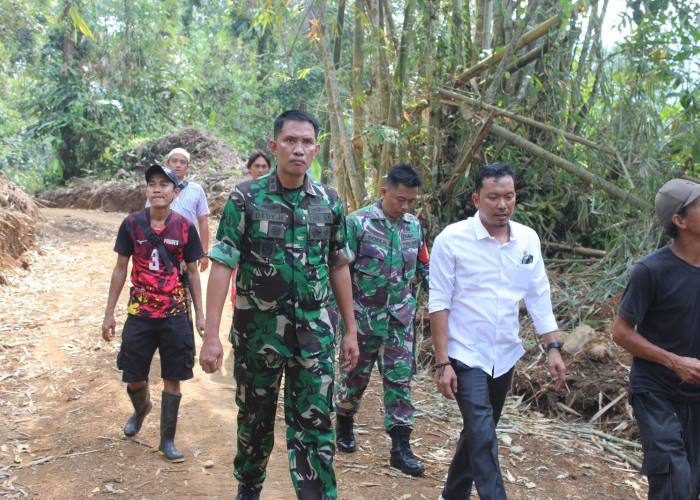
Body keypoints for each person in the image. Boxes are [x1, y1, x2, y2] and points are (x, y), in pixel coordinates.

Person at [199, 109, 360, 500]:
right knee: (254, 418)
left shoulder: (329, 201)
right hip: (259, 336)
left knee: (315, 424)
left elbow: (339, 264)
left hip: (315, 336)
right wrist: (211, 336)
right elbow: (222, 263)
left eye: (306, 142)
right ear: (274, 146)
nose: (298, 150)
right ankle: (249, 487)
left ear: (316, 149)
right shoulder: (246, 197)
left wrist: (351, 331)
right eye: (290, 140)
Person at [428, 162, 566, 500]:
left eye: (509, 196)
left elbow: (538, 296)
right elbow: (439, 302)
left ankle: (453, 494)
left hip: (504, 354)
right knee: (483, 434)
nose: (502, 204)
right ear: (477, 199)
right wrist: (442, 361)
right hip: (465, 354)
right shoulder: (453, 239)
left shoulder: (527, 240)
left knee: (480, 432)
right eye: (493, 197)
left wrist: (553, 347)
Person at [101, 163, 205, 463]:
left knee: (174, 375)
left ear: (175, 192)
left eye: (164, 184)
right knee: (133, 375)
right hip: (140, 313)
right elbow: (121, 267)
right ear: (147, 191)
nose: (157, 188)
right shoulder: (132, 224)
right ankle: (141, 407)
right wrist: (109, 314)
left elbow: (195, 274)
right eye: (152, 184)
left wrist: (199, 316)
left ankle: (166, 440)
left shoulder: (185, 227)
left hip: (174, 314)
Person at [333, 163, 429, 476]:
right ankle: (344, 421)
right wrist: (345, 323)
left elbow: (423, 269)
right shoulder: (357, 223)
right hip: (362, 321)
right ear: (384, 191)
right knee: (354, 380)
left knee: (400, 382)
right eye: (400, 199)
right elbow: (340, 271)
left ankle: (400, 448)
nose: (405, 206)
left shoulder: (414, 227)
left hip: (399, 322)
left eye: (411, 201)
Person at [612, 179, 700, 500]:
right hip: (655, 390)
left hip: (696, 394)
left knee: (690, 485)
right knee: (674, 477)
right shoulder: (650, 271)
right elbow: (620, 331)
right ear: (680, 220)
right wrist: (674, 361)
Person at [146, 148, 210, 272]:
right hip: (159, 247)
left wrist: (204, 252)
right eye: (174, 161)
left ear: (187, 168)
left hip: (187, 247)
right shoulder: (156, 189)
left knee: (187, 285)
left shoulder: (196, 190)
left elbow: (203, 221)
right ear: (167, 164)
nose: (178, 165)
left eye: (182, 162)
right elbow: (147, 217)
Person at [230, 151, 273, 307]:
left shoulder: (274, 194)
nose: (261, 170)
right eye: (257, 166)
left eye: (264, 166)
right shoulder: (241, 193)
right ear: (249, 168)